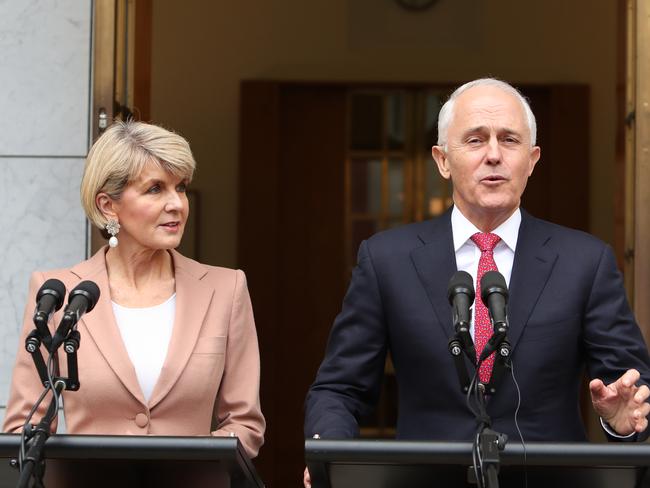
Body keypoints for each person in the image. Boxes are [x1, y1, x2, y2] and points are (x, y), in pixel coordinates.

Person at [303, 78, 650, 486]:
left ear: (533, 159)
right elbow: (340, 389)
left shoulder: (585, 262)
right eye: (474, 140)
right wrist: (331, 458)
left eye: (509, 140)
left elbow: (631, 390)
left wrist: (623, 424)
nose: (493, 155)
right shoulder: (387, 260)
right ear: (442, 160)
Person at [3, 120, 265, 459]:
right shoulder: (59, 293)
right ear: (108, 206)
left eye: (181, 187)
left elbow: (245, 424)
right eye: (155, 189)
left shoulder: (226, 289)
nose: (177, 204)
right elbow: (24, 429)